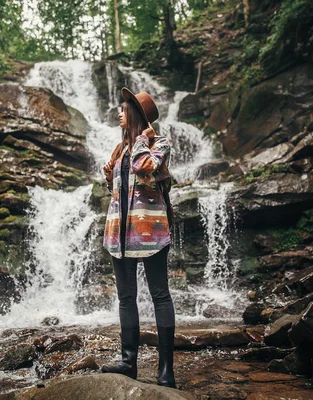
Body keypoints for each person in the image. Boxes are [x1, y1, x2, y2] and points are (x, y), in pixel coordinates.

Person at [100, 87, 176, 388]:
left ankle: (166, 370)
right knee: (126, 298)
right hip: (119, 234)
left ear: (136, 115)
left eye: (123, 109)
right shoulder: (119, 150)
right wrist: (109, 178)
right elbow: (119, 192)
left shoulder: (159, 143)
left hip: (150, 233)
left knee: (160, 295)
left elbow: (145, 167)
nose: (119, 113)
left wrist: (143, 138)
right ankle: (128, 362)